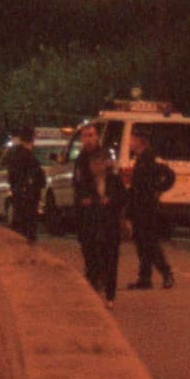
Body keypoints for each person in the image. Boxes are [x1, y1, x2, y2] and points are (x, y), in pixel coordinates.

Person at [125, 127, 175, 290]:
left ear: (140, 141)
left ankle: (166, 273)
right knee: (142, 244)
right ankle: (144, 278)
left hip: (146, 208)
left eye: (132, 139)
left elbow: (168, 174)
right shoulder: (140, 159)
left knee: (150, 244)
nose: (130, 142)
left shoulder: (148, 159)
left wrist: (158, 189)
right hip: (139, 208)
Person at [84, 148, 128, 308]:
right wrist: (88, 202)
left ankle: (110, 295)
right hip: (94, 225)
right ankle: (95, 288)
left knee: (111, 261)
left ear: (104, 164)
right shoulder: (87, 181)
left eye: (98, 163)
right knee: (96, 260)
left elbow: (123, 197)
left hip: (111, 226)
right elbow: (80, 198)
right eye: (92, 164)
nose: (95, 167)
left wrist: (111, 200)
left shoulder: (114, 180)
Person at [71, 124, 103, 280]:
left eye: (91, 135)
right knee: (85, 241)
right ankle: (92, 270)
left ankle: (96, 274)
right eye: (85, 136)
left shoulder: (102, 156)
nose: (88, 139)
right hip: (82, 208)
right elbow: (77, 181)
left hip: (97, 207)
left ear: (97, 137)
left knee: (97, 242)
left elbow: (105, 182)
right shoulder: (81, 158)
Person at [4, 126, 46, 243]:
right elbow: (40, 179)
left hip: (18, 195)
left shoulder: (13, 155)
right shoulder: (30, 158)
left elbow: (11, 177)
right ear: (32, 139)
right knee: (29, 231)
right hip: (29, 198)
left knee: (19, 227)